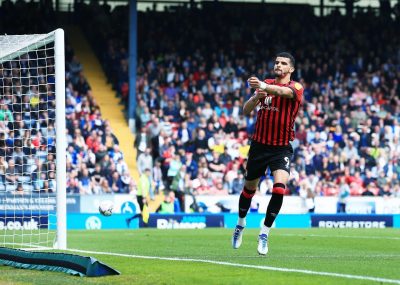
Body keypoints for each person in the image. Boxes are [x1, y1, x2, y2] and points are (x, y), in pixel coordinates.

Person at [232, 52, 304, 256]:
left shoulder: (296, 87)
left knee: (279, 189)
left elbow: (285, 93)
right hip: (259, 146)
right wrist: (256, 96)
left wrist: (262, 86)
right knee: (249, 189)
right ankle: (240, 224)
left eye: (283, 63)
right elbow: (246, 111)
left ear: (291, 69)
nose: (278, 65)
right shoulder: (266, 85)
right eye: (276, 62)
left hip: (281, 148)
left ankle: (264, 233)